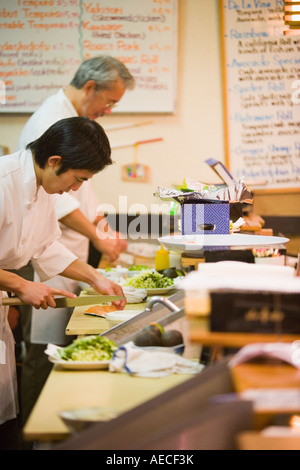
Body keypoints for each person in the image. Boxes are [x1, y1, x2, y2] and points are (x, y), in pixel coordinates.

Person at [15, 56, 135, 426]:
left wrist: (97, 269)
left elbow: (64, 217)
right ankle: (38, 432)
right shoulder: (51, 123)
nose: (109, 110)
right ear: (89, 88)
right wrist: (99, 237)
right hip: (30, 268)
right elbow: (63, 200)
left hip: (55, 257)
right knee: (40, 351)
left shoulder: (78, 130)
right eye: (109, 101)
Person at [0, 116, 126, 448]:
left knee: (3, 402)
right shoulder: (3, 180)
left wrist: (96, 278)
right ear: (55, 161)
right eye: (77, 179)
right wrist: (20, 284)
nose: (76, 189)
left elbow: (45, 246)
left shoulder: (42, 188)